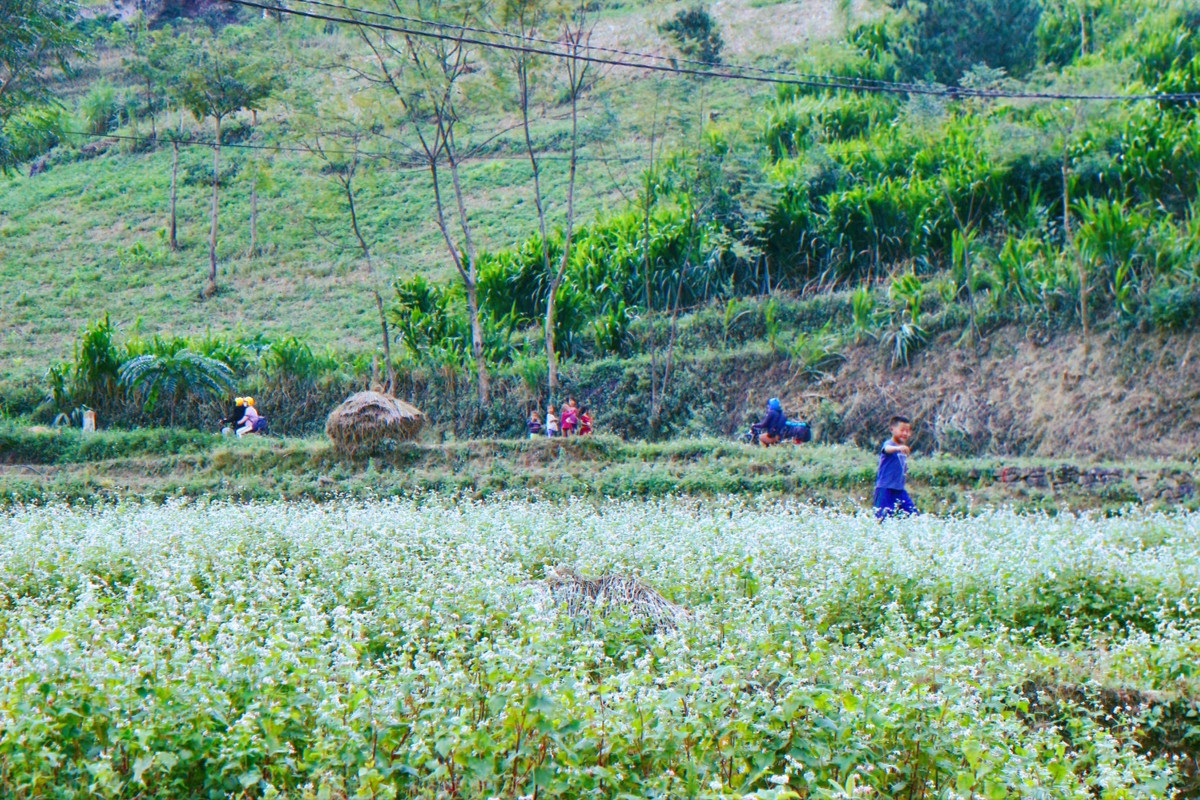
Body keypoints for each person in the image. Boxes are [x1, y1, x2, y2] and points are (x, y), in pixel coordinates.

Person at [874, 415, 918, 520]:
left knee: (914, 517)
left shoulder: (902, 449)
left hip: (899, 490)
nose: (905, 434)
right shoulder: (890, 444)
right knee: (883, 520)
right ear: (892, 429)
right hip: (885, 489)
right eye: (902, 430)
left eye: (908, 431)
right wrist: (897, 448)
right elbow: (886, 449)